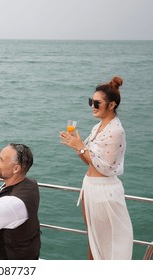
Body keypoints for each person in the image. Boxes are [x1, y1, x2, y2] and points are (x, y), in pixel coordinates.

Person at [59, 76, 133, 260]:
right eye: (91, 102)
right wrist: (77, 147)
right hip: (91, 187)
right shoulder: (97, 127)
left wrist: (80, 147)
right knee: (93, 237)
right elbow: (91, 161)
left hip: (104, 191)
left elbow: (106, 168)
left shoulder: (116, 131)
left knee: (107, 241)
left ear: (111, 105)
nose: (93, 106)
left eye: (97, 103)